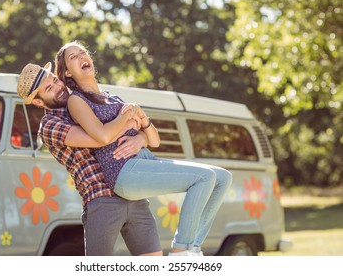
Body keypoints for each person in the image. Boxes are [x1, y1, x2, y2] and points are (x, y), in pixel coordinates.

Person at [55, 41, 233, 256]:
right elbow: (102, 135)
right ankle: (181, 250)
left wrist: (141, 129)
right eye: (73, 57)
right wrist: (126, 119)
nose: (82, 56)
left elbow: (154, 140)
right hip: (124, 170)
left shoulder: (113, 97)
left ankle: (193, 246)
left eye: (83, 52)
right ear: (67, 73)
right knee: (204, 177)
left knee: (222, 177)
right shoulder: (77, 100)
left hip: (145, 158)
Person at [16, 62, 162, 256]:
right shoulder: (50, 125)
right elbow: (101, 139)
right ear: (38, 102)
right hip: (101, 199)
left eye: (55, 80)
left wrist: (140, 138)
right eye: (49, 89)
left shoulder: (86, 99)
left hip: (133, 192)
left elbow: (141, 132)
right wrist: (128, 116)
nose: (59, 88)